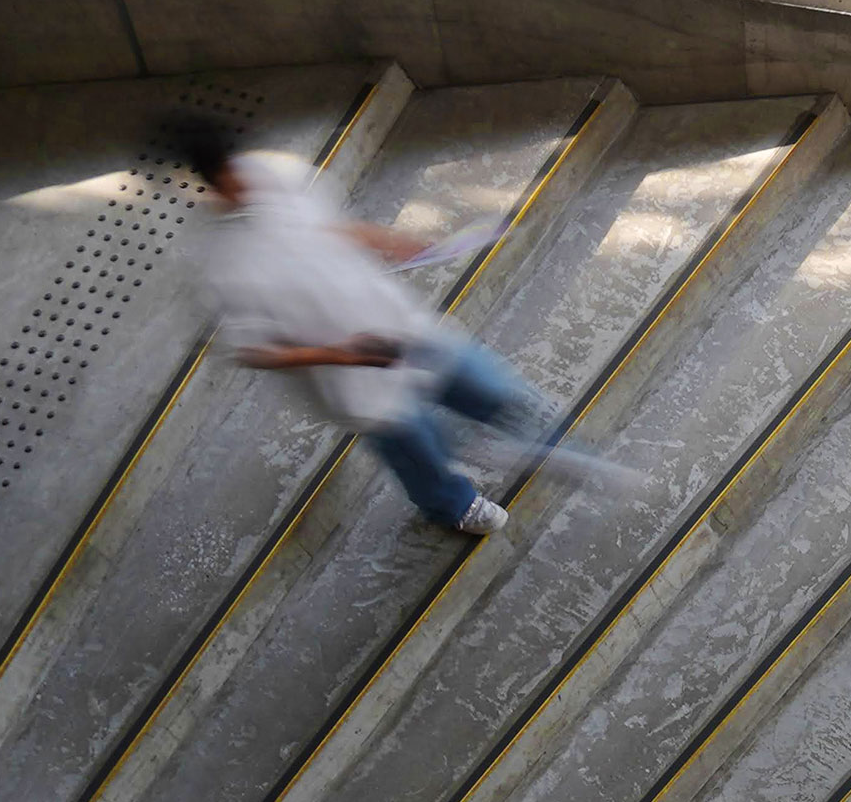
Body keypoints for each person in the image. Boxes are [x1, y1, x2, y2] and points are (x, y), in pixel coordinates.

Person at [169, 110, 570, 537]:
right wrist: (341, 355)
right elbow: (253, 350)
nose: (245, 178)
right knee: (414, 447)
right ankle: (450, 505)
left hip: (398, 321)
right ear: (212, 180)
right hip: (350, 377)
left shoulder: (275, 175)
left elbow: (328, 226)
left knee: (483, 386)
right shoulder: (221, 265)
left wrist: (389, 242)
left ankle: (523, 428)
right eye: (229, 173)